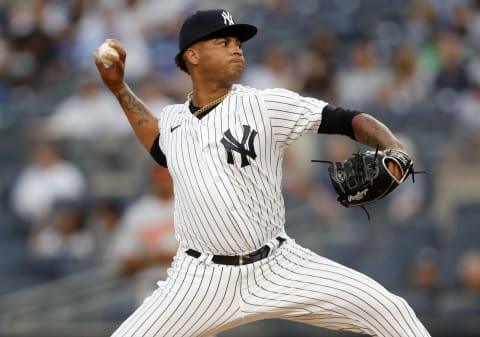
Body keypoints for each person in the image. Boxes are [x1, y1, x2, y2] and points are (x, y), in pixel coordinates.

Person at [94, 9, 431, 337]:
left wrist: (393, 145)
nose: (237, 48)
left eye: (237, 43)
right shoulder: (173, 120)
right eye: (224, 42)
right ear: (193, 55)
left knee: (391, 311)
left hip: (278, 265)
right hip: (199, 279)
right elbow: (158, 143)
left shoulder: (264, 105)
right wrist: (118, 88)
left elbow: (345, 118)